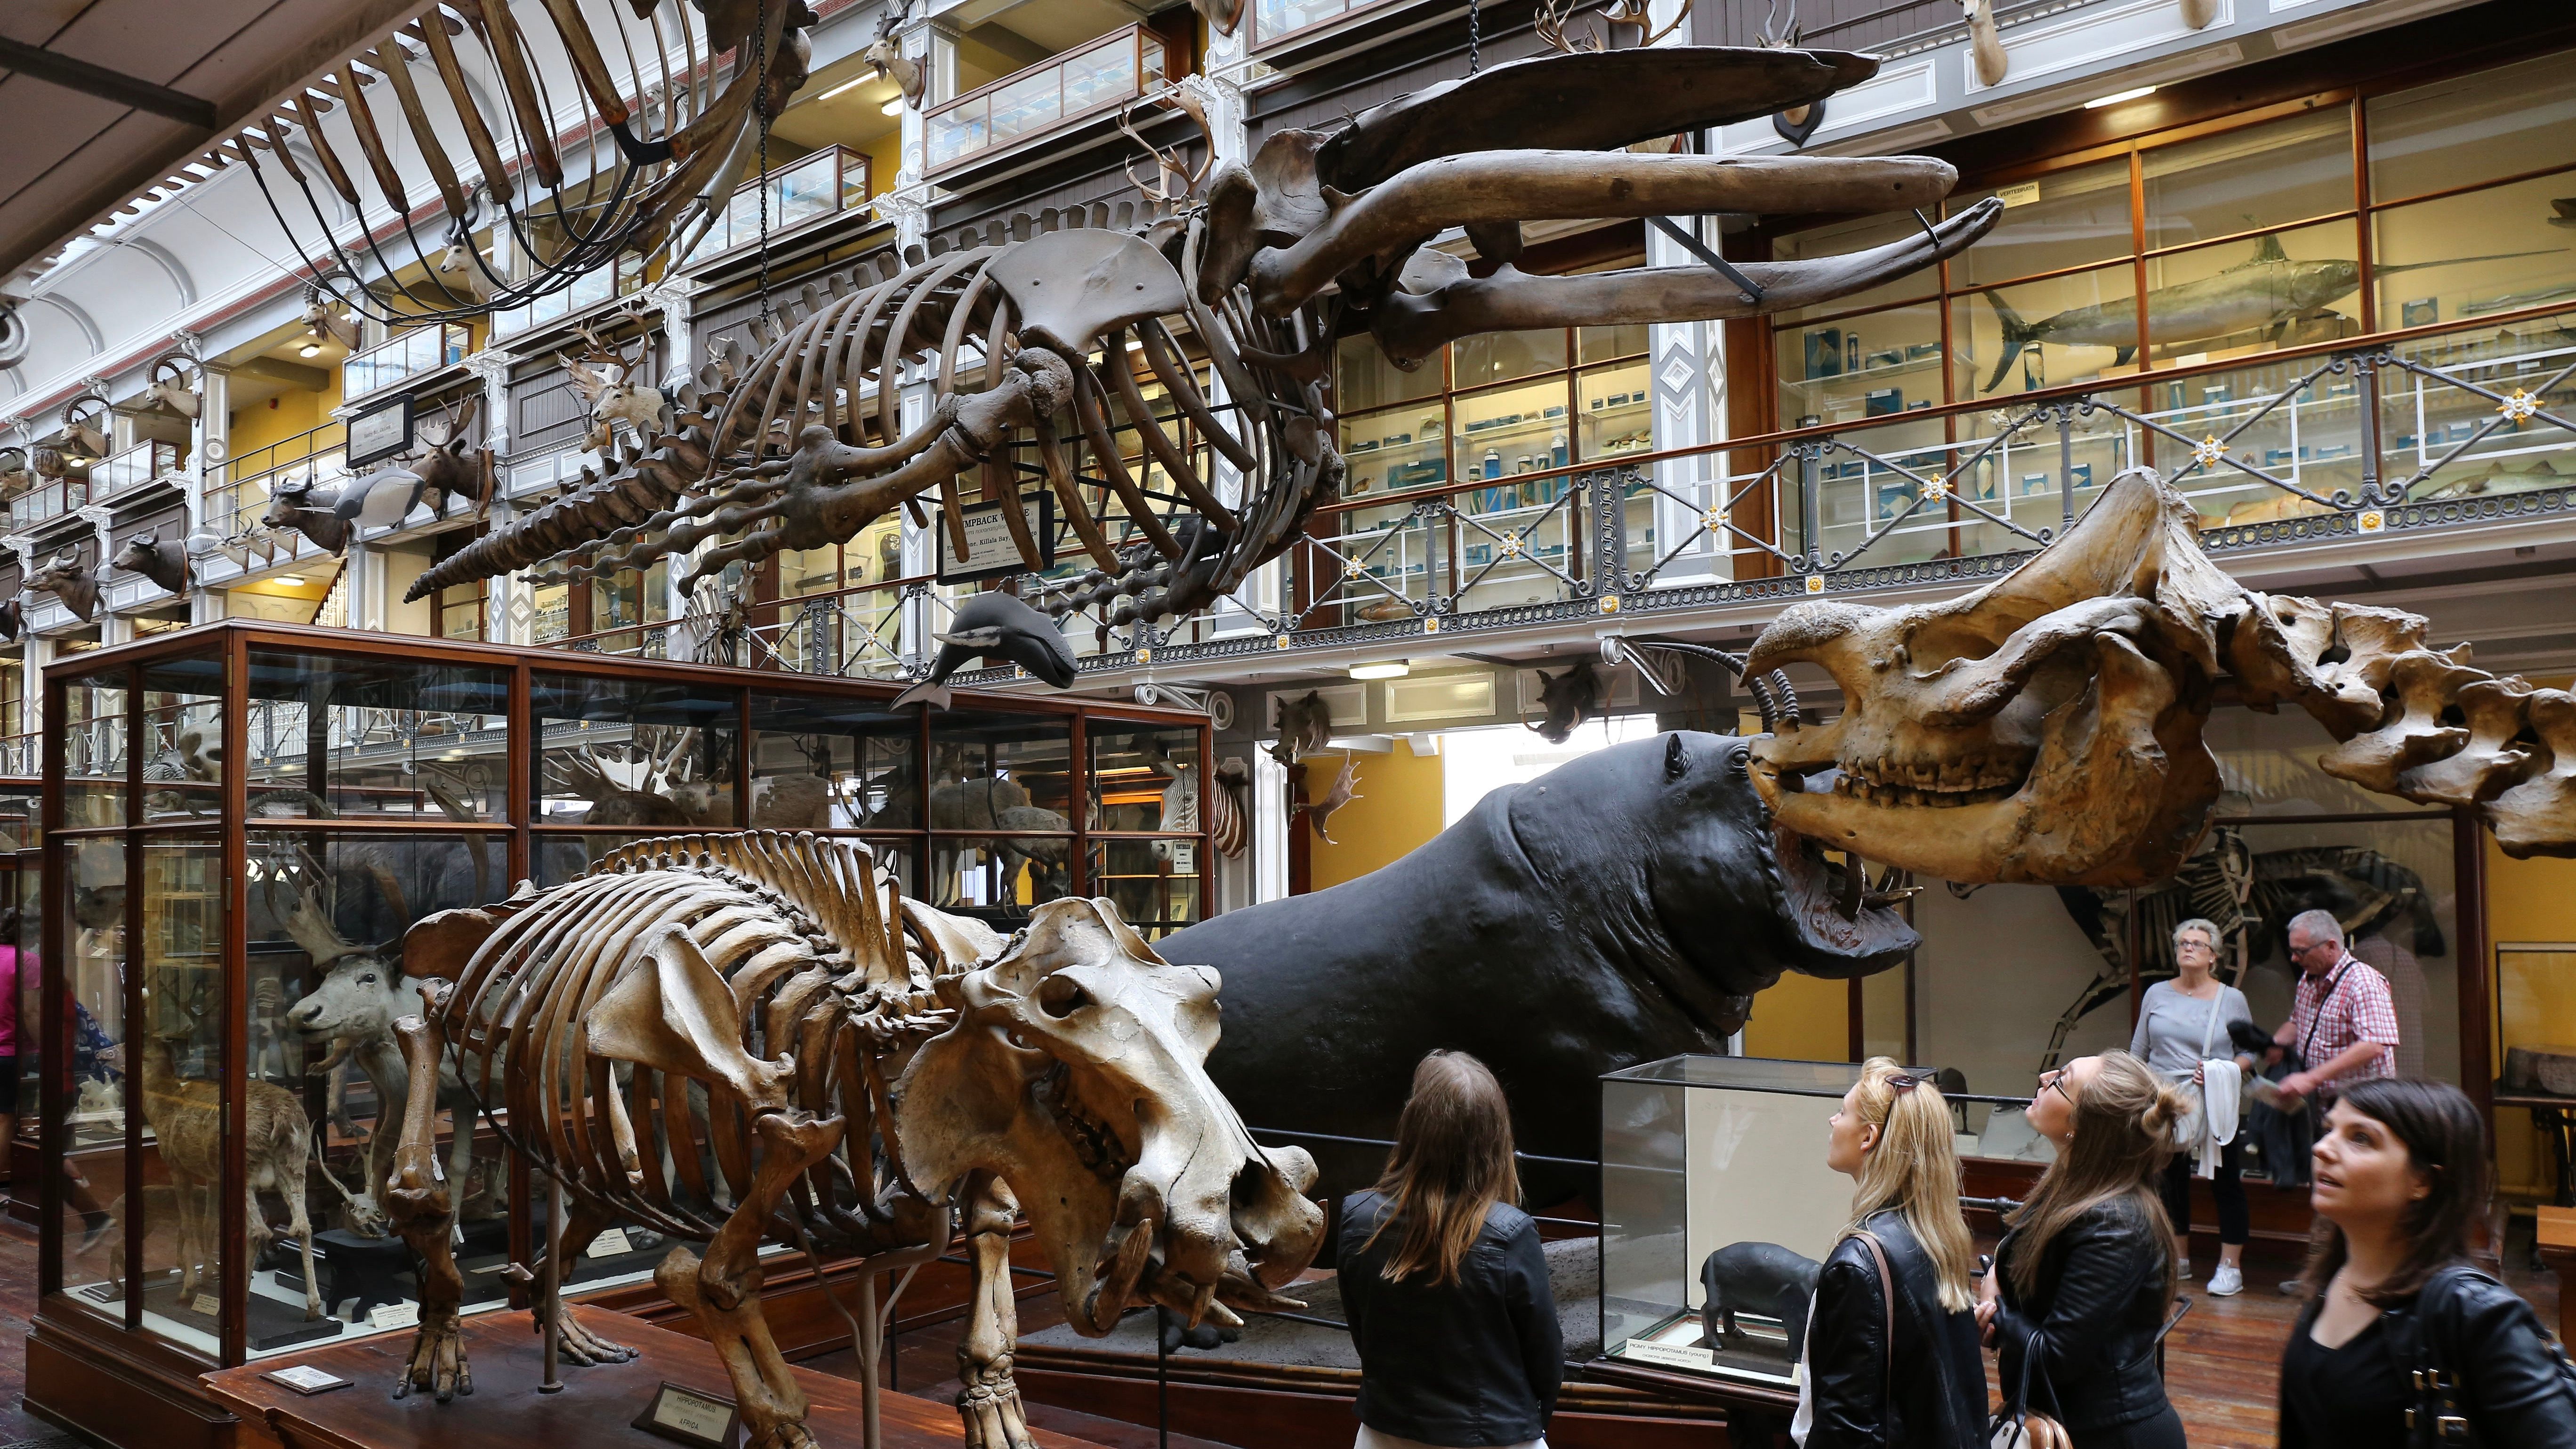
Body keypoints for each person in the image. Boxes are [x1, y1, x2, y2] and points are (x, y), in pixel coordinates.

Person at [2280, 1078, 2576, 1447]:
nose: (2323, 1149)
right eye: (2329, 1130)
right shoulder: (2335, 1278)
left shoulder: (2477, 1315)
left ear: (2422, 1180)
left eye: (2361, 1138)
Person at [1341, 1051, 1561, 1449]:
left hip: (1385, 1432)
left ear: (1413, 1124)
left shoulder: (1356, 1217)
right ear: (1495, 1135)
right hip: (1496, 1436)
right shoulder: (1511, 1232)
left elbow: (1363, 1333)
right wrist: (1530, 1426)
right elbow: (1545, 1359)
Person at [1976, 1051, 2189, 1449]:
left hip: (2114, 1437)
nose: (2045, 1077)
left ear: (2081, 1124)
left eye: (2061, 1080)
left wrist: (1997, 1310)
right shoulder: (2072, 1187)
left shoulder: (2116, 1222)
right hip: (2069, 1424)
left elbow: (2057, 1357)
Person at [1796, 1057, 1987, 1449]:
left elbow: (1848, 1427)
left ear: (1868, 1137)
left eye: (1842, 1112)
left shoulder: (1859, 1264)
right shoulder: (1938, 1239)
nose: (1833, 1122)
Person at [2128, 918, 2254, 1296]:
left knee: (2226, 1180)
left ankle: (2231, 1265)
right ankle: (2178, 1258)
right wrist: (2137, 1092)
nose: (2188, 948)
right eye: (2183, 942)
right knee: (2169, 1181)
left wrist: (2223, 1070)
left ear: (2213, 956)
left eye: (2198, 944)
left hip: (2213, 1097)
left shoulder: (2231, 999)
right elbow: (2139, 1051)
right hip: (2165, 1098)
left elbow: (2249, 1053)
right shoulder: (2156, 993)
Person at [2272, 908, 2399, 1108]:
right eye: (2292, 951)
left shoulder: (2363, 982)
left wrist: (2312, 1078)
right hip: (2321, 1104)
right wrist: (2273, 1044)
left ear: (2331, 946)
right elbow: (2299, 1022)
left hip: (2361, 1105)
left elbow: (2374, 1045)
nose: (2294, 959)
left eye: (2301, 952)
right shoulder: (2308, 980)